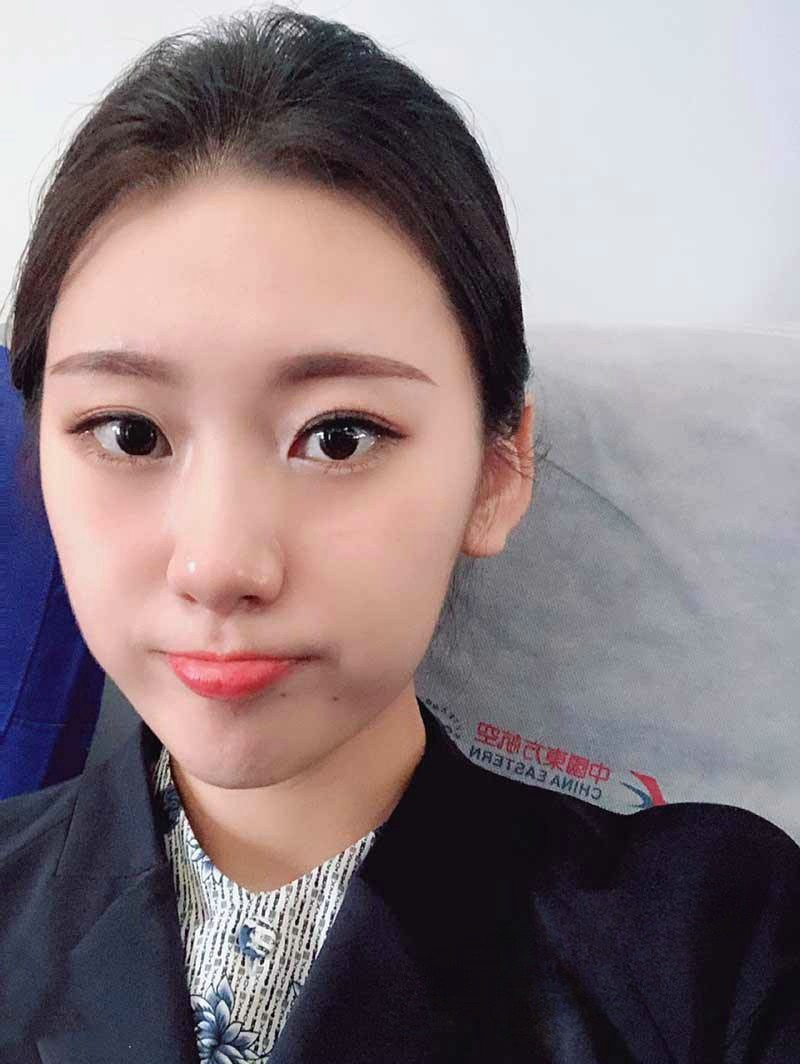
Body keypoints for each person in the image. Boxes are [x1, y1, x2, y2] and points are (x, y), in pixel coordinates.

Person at [1, 7, 798, 1062]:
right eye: (129, 433)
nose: (218, 565)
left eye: (338, 436)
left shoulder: (710, 938)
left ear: (497, 470)